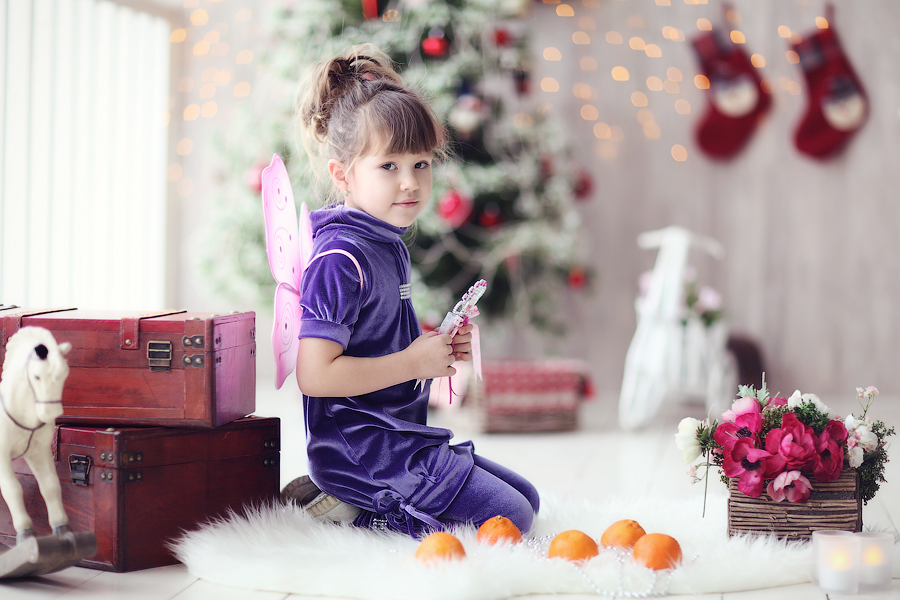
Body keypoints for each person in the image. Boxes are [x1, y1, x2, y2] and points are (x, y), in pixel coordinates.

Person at [281, 44, 539, 538]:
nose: (410, 183)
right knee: (514, 519)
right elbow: (314, 375)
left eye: (421, 164)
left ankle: (364, 500)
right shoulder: (341, 259)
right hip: (362, 450)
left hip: (399, 435)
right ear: (342, 173)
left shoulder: (385, 241)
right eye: (389, 166)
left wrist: (435, 348)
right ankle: (354, 509)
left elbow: (378, 340)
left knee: (526, 498)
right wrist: (413, 364)